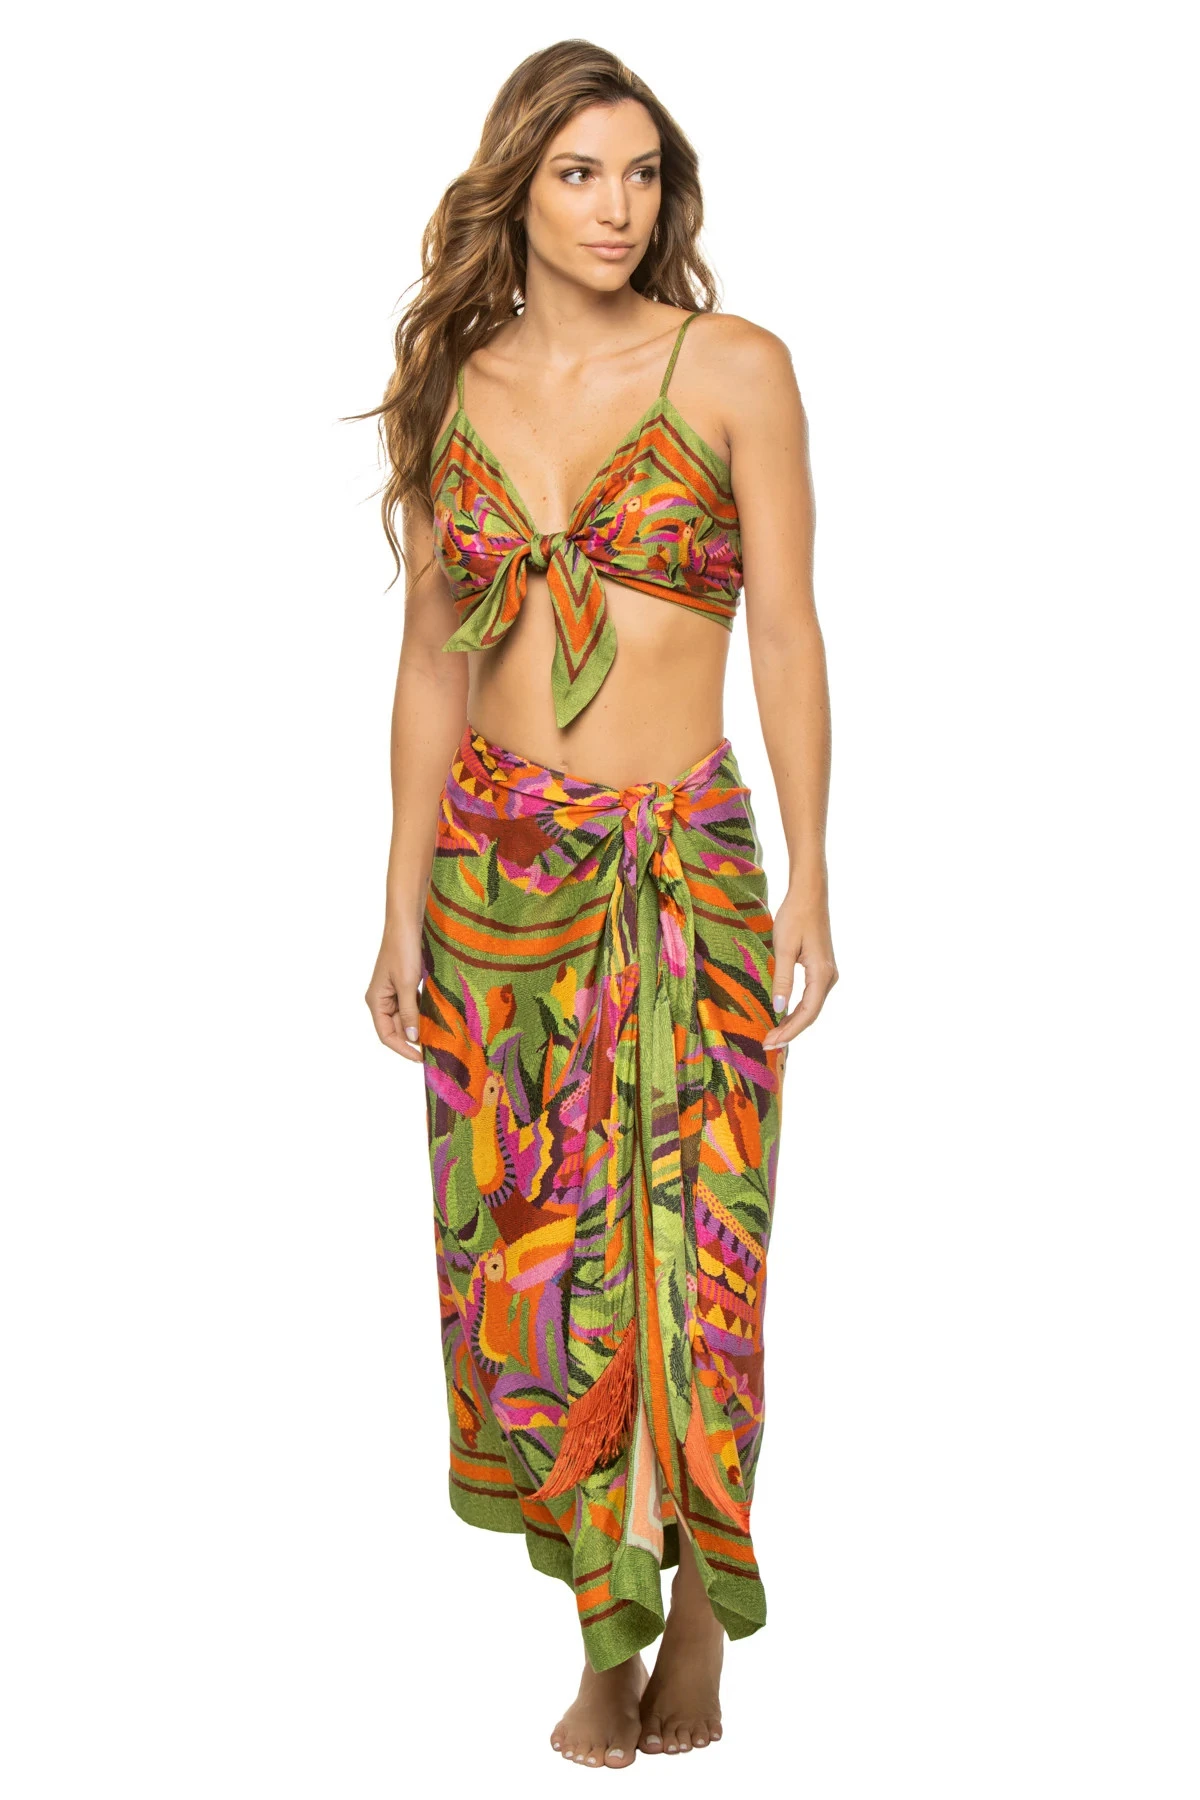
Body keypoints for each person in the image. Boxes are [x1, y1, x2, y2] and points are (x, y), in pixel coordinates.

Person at [361, 38, 836, 1769]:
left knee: (700, 1254)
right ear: (518, 184)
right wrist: (396, 904)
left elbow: (787, 629)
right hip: (498, 886)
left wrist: (813, 867)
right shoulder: (451, 386)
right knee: (540, 1270)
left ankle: (698, 1609)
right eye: (579, 174)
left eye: (641, 174)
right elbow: (433, 662)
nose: (616, 208)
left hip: (685, 871)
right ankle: (597, 1631)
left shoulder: (734, 368)